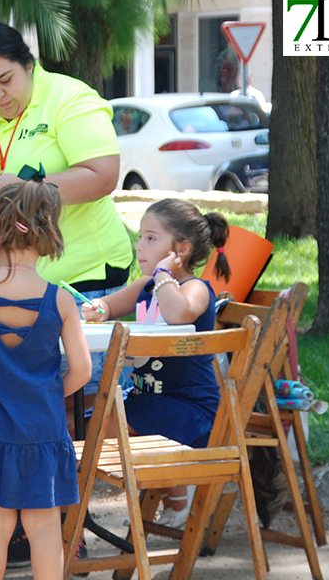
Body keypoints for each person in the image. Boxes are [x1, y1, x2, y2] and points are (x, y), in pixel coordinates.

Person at [0, 20, 133, 408]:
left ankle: (79, 471)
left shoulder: (69, 98)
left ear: (29, 65)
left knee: (81, 407)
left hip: (79, 281)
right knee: (18, 405)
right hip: (2, 286)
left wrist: (24, 189)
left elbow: (102, 177)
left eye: (6, 80)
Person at [0, 180, 91, 580]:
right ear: (47, 236)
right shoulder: (60, 300)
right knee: (44, 528)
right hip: (42, 430)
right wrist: (40, 395)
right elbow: (82, 370)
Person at [81, 198, 231, 528]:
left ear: (183, 249)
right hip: (150, 400)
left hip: (191, 409)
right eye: (140, 237)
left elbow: (179, 314)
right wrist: (99, 309)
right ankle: (176, 499)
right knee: (72, 417)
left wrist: (164, 273)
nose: (139, 246)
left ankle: (69, 517)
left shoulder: (195, 289)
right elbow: (107, 304)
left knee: (90, 431)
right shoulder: (145, 286)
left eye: (151, 238)